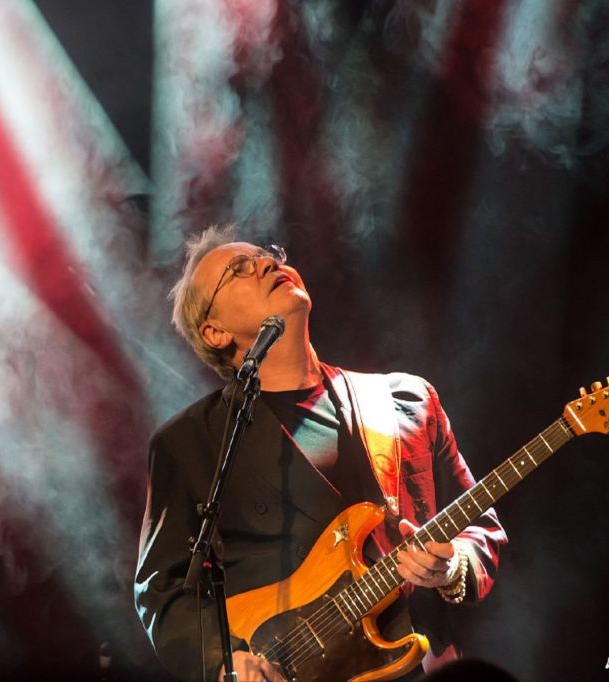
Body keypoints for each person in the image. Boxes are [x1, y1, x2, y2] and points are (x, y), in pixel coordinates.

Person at [135, 225, 507, 681]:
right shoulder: (190, 441)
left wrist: (452, 567)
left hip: (418, 663)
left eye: (268, 254)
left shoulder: (406, 400)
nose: (267, 264)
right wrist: (223, 660)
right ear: (214, 332)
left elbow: (479, 524)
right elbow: (162, 588)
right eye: (239, 269)